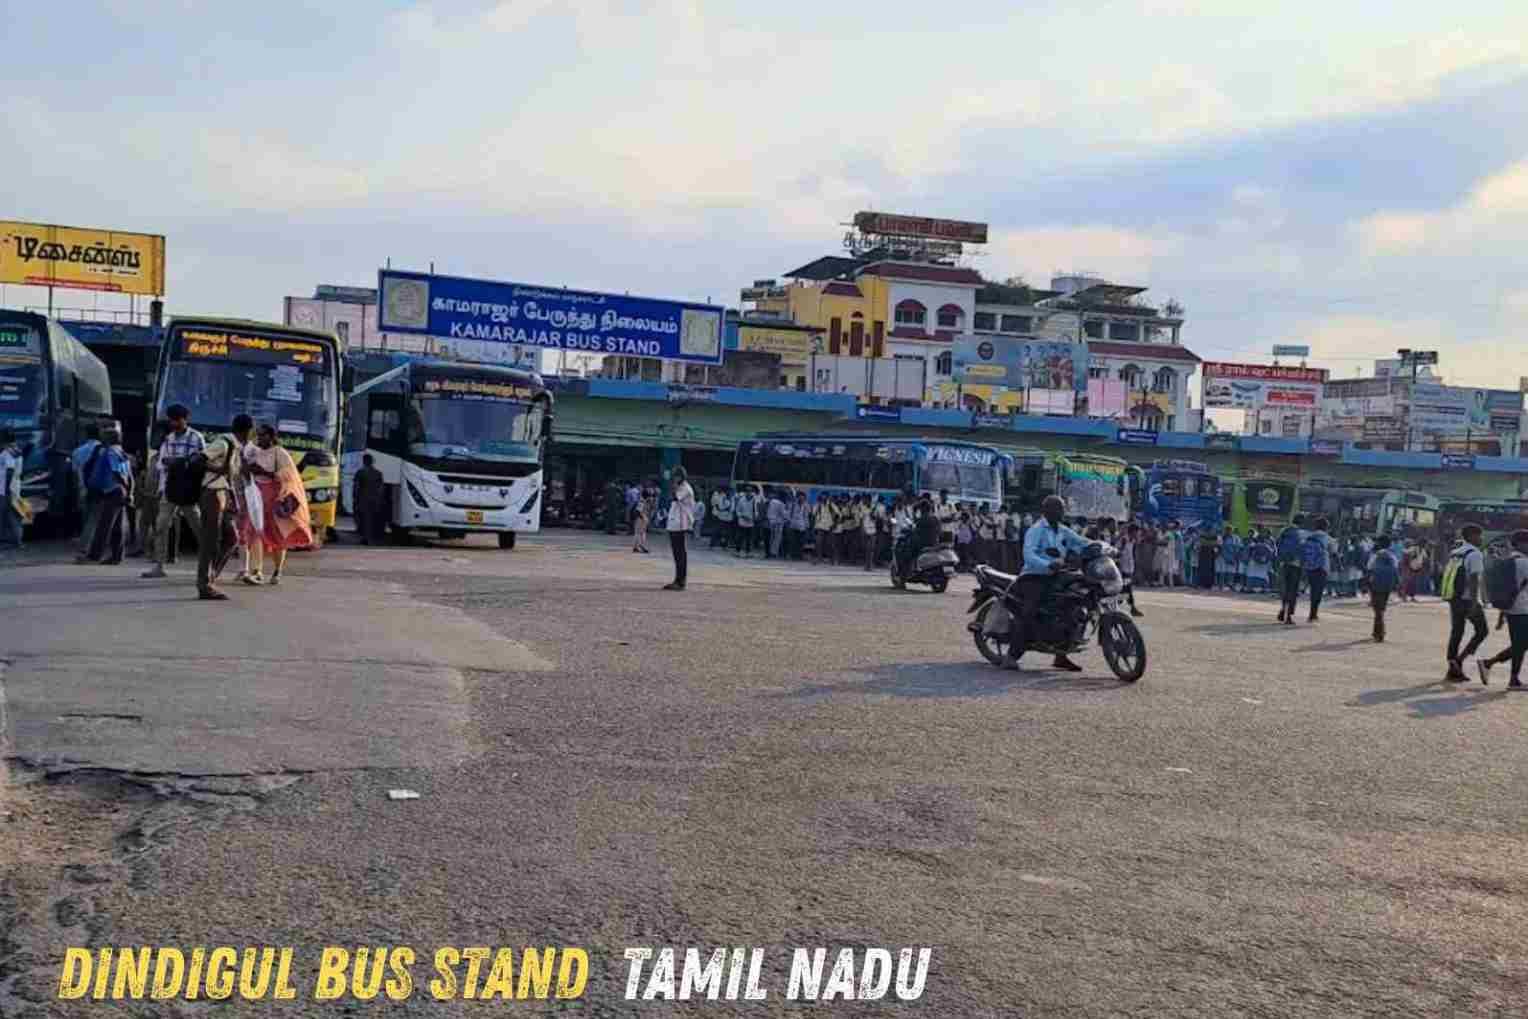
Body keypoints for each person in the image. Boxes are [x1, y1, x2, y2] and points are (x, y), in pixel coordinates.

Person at [1006, 495, 1090, 672]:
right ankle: (1011, 656)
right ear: (1047, 511)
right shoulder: (1036, 529)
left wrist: (1102, 547)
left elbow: (1080, 543)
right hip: (1033, 577)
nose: (1062, 512)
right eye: (1058, 508)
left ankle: (1061, 655)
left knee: (1073, 604)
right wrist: (1047, 564)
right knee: (1029, 612)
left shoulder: (1061, 529)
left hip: (1056, 575)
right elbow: (1029, 555)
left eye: (1063, 508)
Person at [236, 424, 311, 586]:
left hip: (275, 497)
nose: (260, 438)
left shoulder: (280, 453)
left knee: (277, 535)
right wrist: (246, 466)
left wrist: (264, 472)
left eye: (263, 435)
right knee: (255, 531)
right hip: (256, 496)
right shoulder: (254, 452)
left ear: (271, 436)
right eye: (258, 435)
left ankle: (277, 570)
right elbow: (243, 472)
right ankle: (257, 571)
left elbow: (288, 475)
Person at [141, 406, 206, 579]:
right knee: (161, 525)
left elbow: (200, 462)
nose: (174, 423)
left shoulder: (196, 437)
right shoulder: (168, 439)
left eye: (177, 419)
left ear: (185, 419)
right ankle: (159, 565)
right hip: (170, 488)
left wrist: (177, 463)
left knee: (198, 526)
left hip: (188, 490)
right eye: (172, 420)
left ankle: (209, 561)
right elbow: (162, 464)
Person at [1478, 529, 1528, 689]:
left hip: (1512, 609)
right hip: (1523, 609)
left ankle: (1494, 667)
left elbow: (1507, 589)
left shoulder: (1507, 560)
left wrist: (1503, 615)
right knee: (1520, 645)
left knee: (1520, 644)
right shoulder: (1524, 562)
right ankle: (1496, 668)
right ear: (1522, 544)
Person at [78, 424, 133, 564]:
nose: (101, 439)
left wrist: (124, 488)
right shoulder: (121, 451)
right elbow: (129, 475)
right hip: (120, 491)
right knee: (117, 526)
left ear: (108, 439)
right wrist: (129, 492)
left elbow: (117, 472)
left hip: (113, 491)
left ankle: (93, 556)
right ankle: (117, 556)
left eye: (104, 437)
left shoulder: (110, 452)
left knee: (104, 526)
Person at [1443, 524, 1489, 682]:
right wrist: (1475, 602)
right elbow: (1474, 578)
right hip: (1468, 599)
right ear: (1471, 536)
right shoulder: (1475, 553)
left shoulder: (1456, 552)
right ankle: (1459, 661)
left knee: (1457, 631)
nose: (1481, 538)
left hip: (1454, 597)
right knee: (1482, 631)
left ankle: (1452, 668)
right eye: (1479, 535)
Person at [664, 467, 696, 591]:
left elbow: (675, 497)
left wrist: (673, 484)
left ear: (682, 476)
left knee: (680, 553)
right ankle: (677, 580)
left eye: (676, 476)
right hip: (675, 524)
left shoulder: (685, 488)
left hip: (681, 524)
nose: (675, 479)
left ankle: (680, 581)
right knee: (677, 554)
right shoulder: (680, 487)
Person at [1365, 534, 1400, 643]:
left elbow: (1369, 567)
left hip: (1375, 584)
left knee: (1377, 610)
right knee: (1381, 608)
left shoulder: (1375, 555)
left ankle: (1379, 633)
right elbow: (1396, 570)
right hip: (1387, 585)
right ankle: (1378, 631)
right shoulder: (1392, 556)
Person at [1275, 514, 1308, 625]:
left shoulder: (1284, 531)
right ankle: (1288, 615)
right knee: (1293, 591)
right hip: (1295, 565)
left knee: (1285, 589)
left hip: (1284, 564)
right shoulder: (1301, 534)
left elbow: (1277, 544)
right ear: (1302, 522)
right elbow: (1303, 550)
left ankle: (1283, 610)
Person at [1301, 517, 1333, 623]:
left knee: (1313, 589)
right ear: (1326, 527)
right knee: (1318, 591)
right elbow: (1334, 551)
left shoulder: (1309, 536)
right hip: (1322, 567)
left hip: (1310, 566)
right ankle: (1313, 614)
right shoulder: (1328, 538)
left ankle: (1312, 612)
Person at [0, 428, 26, 552]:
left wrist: (6, 490)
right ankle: (17, 541)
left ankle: (13, 541)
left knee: (8, 515)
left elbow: (9, 471)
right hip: (15, 486)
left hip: (7, 488)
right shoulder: (16, 450)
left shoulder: (8, 452)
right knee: (14, 515)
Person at [733, 485, 755, 557]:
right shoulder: (741, 500)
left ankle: (748, 552)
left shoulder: (754, 500)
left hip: (751, 522)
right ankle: (737, 551)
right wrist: (742, 516)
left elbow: (755, 511)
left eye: (750, 491)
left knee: (749, 538)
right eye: (747, 491)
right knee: (740, 537)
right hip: (742, 522)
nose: (748, 492)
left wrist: (754, 517)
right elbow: (737, 510)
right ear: (745, 492)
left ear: (752, 492)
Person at [813, 494, 835, 565]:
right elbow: (813, 514)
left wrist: (834, 524)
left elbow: (838, 514)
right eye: (823, 497)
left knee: (829, 544)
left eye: (826, 497)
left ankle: (830, 559)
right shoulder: (818, 505)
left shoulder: (831, 505)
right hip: (820, 526)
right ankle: (819, 558)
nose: (824, 498)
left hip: (829, 527)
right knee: (818, 543)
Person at [788, 491, 809, 559]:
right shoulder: (793, 504)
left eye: (803, 497)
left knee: (801, 542)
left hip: (802, 526)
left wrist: (807, 526)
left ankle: (800, 555)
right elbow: (789, 514)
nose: (801, 498)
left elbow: (806, 516)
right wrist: (789, 522)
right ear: (797, 497)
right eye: (800, 496)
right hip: (793, 525)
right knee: (793, 541)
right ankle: (793, 555)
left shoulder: (806, 505)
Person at [767, 488, 787, 559]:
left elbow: (769, 511)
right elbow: (784, 514)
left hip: (771, 521)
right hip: (778, 523)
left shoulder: (772, 501)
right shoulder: (781, 503)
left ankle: (770, 552)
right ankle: (774, 553)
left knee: (771, 538)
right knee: (777, 539)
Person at [631, 485, 652, 553]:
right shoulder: (642, 501)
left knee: (638, 533)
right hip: (641, 518)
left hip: (641, 518)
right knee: (641, 533)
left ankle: (636, 547)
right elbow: (638, 511)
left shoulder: (643, 501)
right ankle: (641, 546)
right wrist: (644, 518)